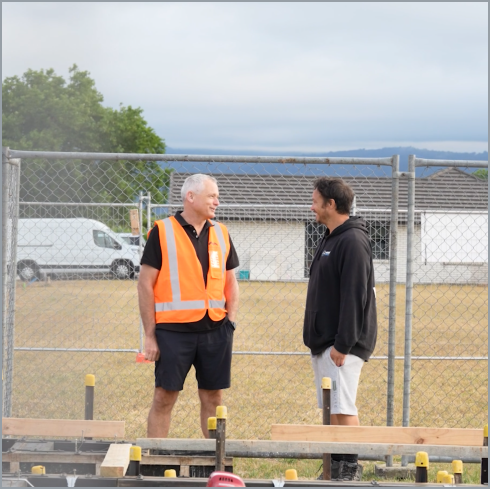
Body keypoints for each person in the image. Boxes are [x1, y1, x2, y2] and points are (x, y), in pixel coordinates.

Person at [138, 174, 240, 438]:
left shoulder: (222, 233)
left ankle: (214, 464)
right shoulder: (162, 231)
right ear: (190, 197)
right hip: (173, 333)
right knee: (164, 397)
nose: (217, 201)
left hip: (216, 331)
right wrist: (149, 336)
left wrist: (230, 322)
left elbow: (231, 282)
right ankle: (156, 464)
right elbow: (145, 285)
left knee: (213, 399)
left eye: (217, 196)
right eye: (212, 196)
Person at [303, 177, 377, 481]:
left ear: (330, 204)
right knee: (332, 408)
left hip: (342, 345)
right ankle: (335, 468)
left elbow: (355, 296)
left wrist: (343, 344)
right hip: (326, 342)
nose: (312, 206)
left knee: (343, 407)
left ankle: (349, 469)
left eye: (315, 201)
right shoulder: (330, 237)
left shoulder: (352, 241)